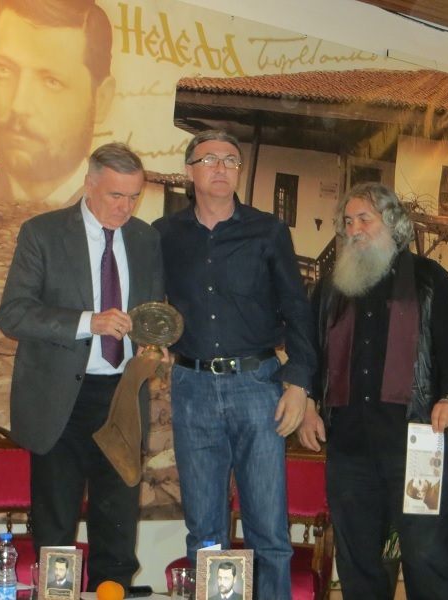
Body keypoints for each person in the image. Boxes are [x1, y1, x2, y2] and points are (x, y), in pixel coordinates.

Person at [153, 130, 320, 600]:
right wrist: (152, 343)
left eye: (231, 160)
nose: (222, 168)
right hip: (192, 387)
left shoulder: (269, 231)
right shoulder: (164, 235)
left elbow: (298, 311)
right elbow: (148, 304)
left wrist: (299, 383)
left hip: (258, 386)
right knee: (204, 531)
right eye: (210, 159)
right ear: (190, 171)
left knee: (269, 530)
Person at [297, 182, 448, 600]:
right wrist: (308, 405)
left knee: (426, 553)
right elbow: (309, 355)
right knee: (356, 560)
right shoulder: (330, 290)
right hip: (348, 449)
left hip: (418, 445)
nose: (354, 230)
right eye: (348, 222)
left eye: (364, 219)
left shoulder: (431, 281)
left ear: (393, 223)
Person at [0, 142, 164, 591]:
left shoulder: (146, 239)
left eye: (134, 197)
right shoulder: (43, 233)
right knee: (55, 524)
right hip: (59, 400)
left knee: (117, 522)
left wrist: (154, 347)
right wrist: (89, 322)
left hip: (122, 397)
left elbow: (150, 315)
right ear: (89, 184)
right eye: (116, 195)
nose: (125, 207)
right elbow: (13, 314)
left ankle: (114, 592)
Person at [0, 0, 115, 209]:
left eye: (51, 82)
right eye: (4, 70)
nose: (19, 106)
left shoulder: (111, 209)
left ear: (101, 100)